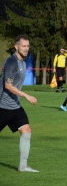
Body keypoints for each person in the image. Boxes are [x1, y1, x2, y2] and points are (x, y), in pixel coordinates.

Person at [0, 35, 39, 172]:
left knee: (26, 131)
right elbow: (8, 86)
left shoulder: (23, 62)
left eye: (28, 46)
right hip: (3, 107)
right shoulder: (12, 61)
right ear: (16, 46)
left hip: (15, 107)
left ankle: (23, 166)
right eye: (23, 46)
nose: (26, 49)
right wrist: (26, 96)